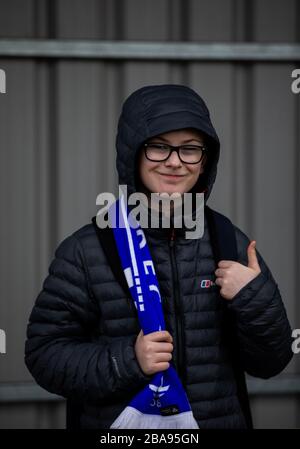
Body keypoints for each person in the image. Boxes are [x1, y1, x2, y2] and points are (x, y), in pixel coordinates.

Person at [25, 84, 293, 429]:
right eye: (159, 147)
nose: (174, 162)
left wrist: (253, 298)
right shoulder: (87, 249)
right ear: (133, 154)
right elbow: (44, 357)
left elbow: (271, 362)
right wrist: (127, 360)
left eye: (190, 149)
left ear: (205, 160)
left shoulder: (228, 241)